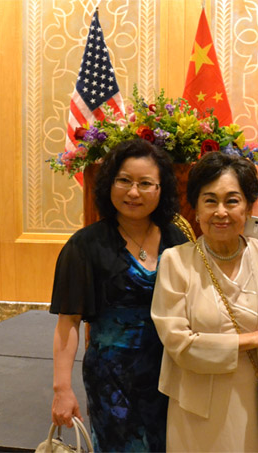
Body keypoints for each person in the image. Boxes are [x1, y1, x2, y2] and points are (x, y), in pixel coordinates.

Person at [151, 151, 258, 452]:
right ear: (195, 208)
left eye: (232, 201)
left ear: (249, 207)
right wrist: (255, 338)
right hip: (197, 409)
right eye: (210, 201)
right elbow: (179, 345)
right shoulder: (175, 262)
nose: (220, 212)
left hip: (255, 402)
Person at [50, 138, 189, 451]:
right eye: (124, 180)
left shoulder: (176, 240)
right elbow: (68, 322)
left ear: (161, 189)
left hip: (170, 374)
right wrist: (62, 389)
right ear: (109, 184)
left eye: (145, 183)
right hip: (112, 381)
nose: (133, 192)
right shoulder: (86, 245)